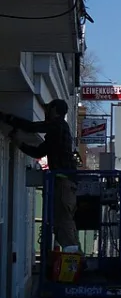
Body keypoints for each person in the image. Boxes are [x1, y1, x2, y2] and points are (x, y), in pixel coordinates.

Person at [0, 99, 80, 252]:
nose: (46, 112)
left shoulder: (58, 125)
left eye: (48, 109)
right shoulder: (58, 132)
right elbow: (39, 152)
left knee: (62, 221)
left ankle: (73, 260)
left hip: (63, 181)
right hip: (65, 182)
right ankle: (74, 259)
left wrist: (8, 118)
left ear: (55, 109)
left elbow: (32, 127)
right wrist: (19, 143)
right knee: (62, 221)